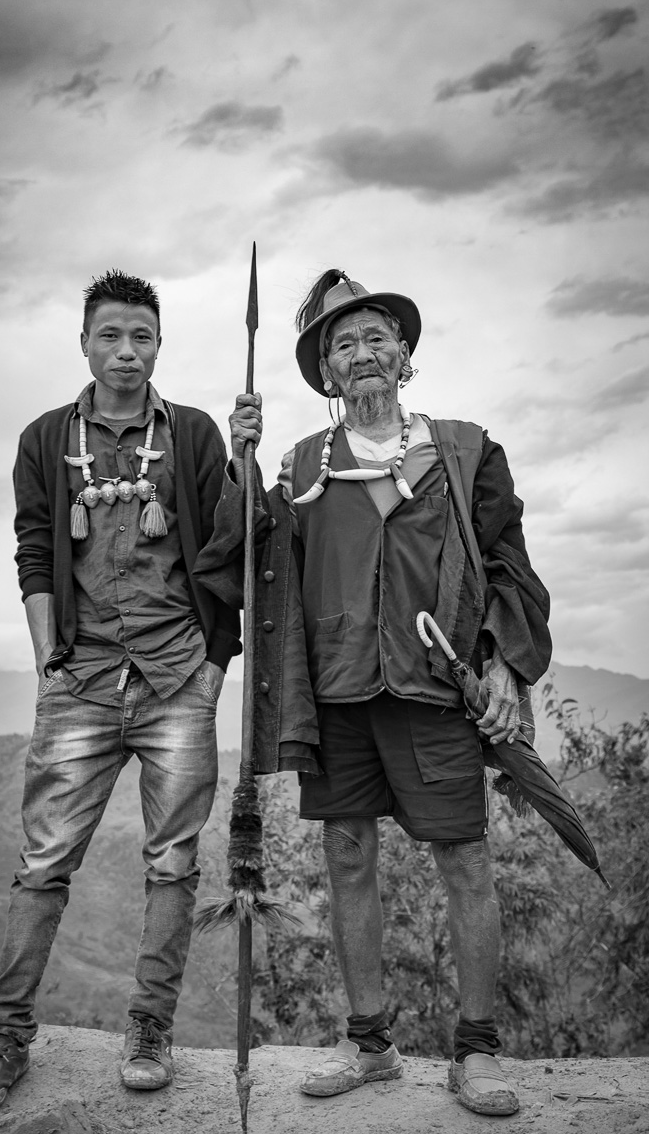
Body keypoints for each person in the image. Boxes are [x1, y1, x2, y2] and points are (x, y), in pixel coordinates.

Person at [227, 270, 552, 1117]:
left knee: (465, 858)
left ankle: (476, 1051)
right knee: (346, 856)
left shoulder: (465, 451)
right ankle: (370, 1043)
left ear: (404, 355)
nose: (362, 352)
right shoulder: (301, 466)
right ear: (325, 372)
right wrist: (241, 461)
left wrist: (506, 666)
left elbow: (510, 567)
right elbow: (251, 559)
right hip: (335, 693)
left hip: (432, 688)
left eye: (377, 337)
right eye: (343, 344)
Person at [0, 270, 241, 1121]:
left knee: (173, 863)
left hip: (177, 676)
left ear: (160, 345)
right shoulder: (47, 439)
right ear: (84, 343)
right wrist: (47, 658)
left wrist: (215, 666)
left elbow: (231, 549)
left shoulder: (191, 434)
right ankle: (6, 1038)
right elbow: (35, 549)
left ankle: (149, 1031)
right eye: (110, 335)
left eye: (141, 336)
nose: (125, 351)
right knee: (43, 864)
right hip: (79, 679)